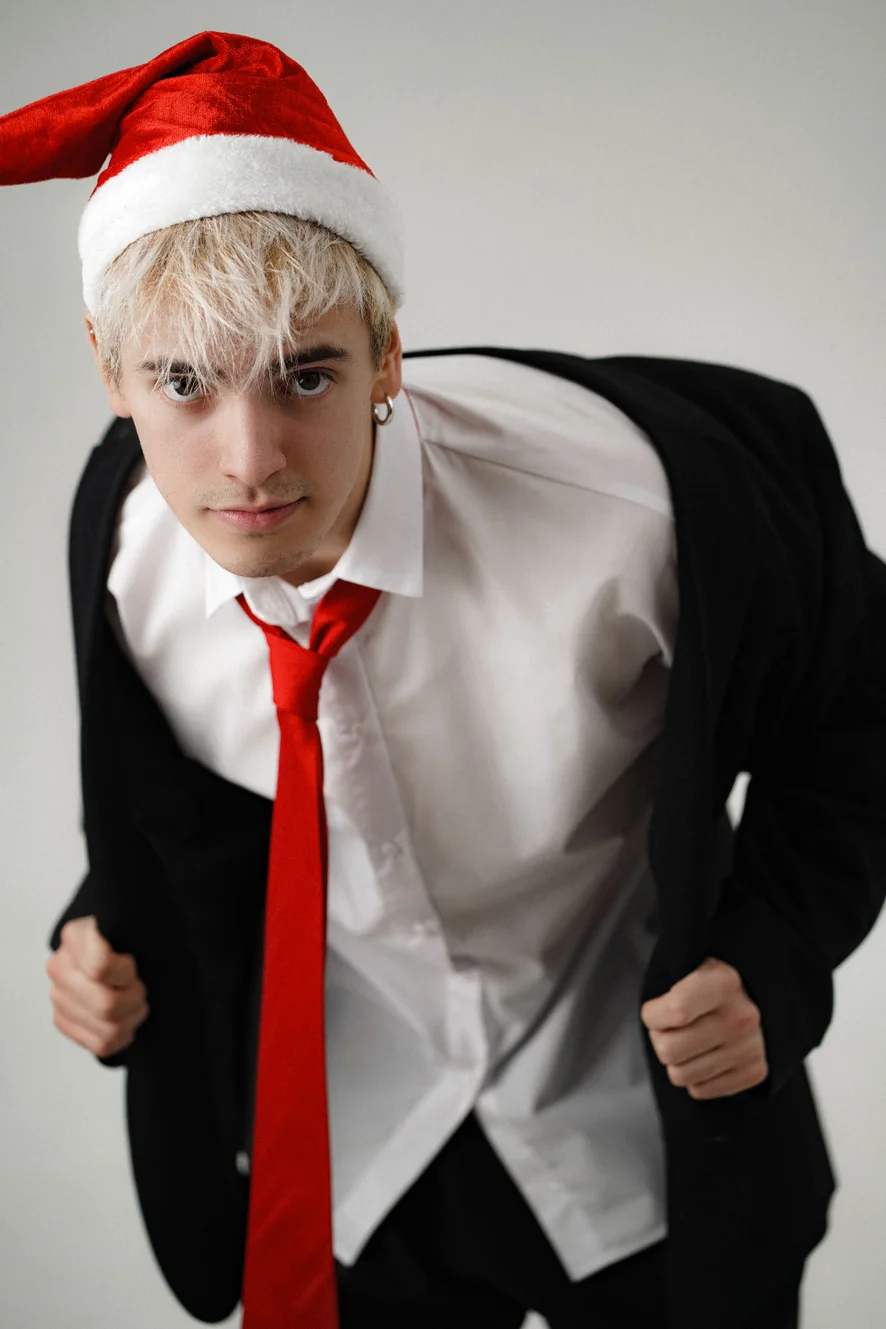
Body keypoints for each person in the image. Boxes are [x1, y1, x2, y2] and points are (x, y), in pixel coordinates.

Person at [4, 29, 884, 1329]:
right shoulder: (126, 553)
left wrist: (776, 952)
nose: (248, 460)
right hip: (351, 1149)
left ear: (387, 356)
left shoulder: (642, 513)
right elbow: (183, 818)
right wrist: (103, 925)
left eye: (305, 374)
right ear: (108, 369)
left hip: (637, 1128)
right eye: (182, 381)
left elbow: (858, 718)